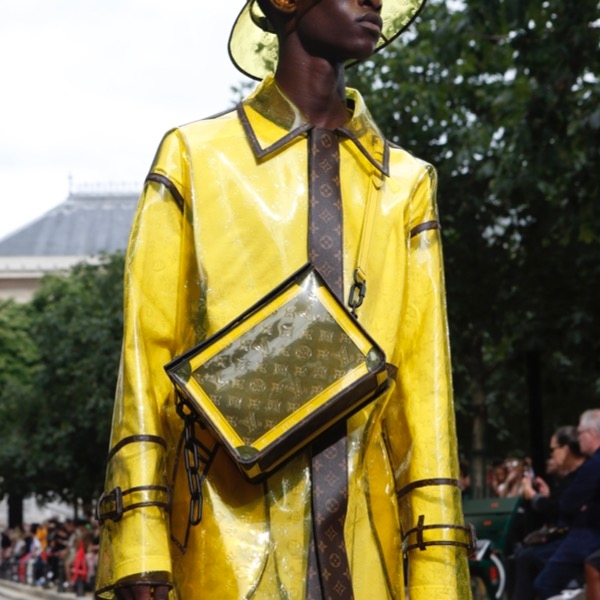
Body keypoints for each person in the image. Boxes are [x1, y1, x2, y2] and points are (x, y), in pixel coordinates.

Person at [95, 1, 472, 599]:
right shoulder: (195, 158)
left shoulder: (406, 185)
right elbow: (146, 361)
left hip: (367, 546)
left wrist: (438, 571)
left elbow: (424, 392)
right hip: (219, 538)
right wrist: (139, 544)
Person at [511, 426, 585, 600]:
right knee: (525, 555)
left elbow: (564, 509)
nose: (552, 455)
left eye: (554, 449)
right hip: (571, 538)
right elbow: (562, 508)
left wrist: (535, 496)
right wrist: (546, 497)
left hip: (579, 540)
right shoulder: (573, 476)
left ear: (565, 449)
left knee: (529, 560)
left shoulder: (584, 473)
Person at [534, 410, 600, 599]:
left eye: (580, 433)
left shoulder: (594, 464)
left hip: (588, 535)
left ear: (591, 434)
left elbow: (567, 505)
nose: (577, 439)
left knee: (545, 583)